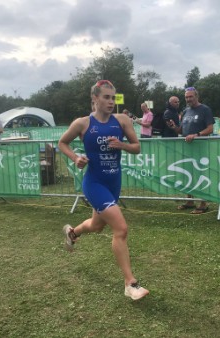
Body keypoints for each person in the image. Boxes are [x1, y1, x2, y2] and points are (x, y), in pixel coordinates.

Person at [58, 80, 149, 300]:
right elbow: (63, 143)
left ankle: (73, 233)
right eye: (106, 97)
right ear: (94, 99)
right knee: (121, 229)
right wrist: (76, 158)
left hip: (113, 183)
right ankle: (130, 283)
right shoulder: (82, 123)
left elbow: (137, 147)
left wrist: (122, 145)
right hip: (94, 183)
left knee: (97, 226)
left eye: (113, 97)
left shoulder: (122, 120)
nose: (111, 102)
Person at [167, 87, 215, 214]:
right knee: (187, 173)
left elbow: (210, 129)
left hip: (201, 148)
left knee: (200, 174)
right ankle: (189, 201)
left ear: (196, 96)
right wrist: (174, 127)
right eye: (186, 97)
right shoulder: (185, 111)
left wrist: (196, 135)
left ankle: (203, 203)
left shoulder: (205, 109)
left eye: (191, 96)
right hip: (186, 148)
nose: (188, 99)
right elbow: (181, 131)